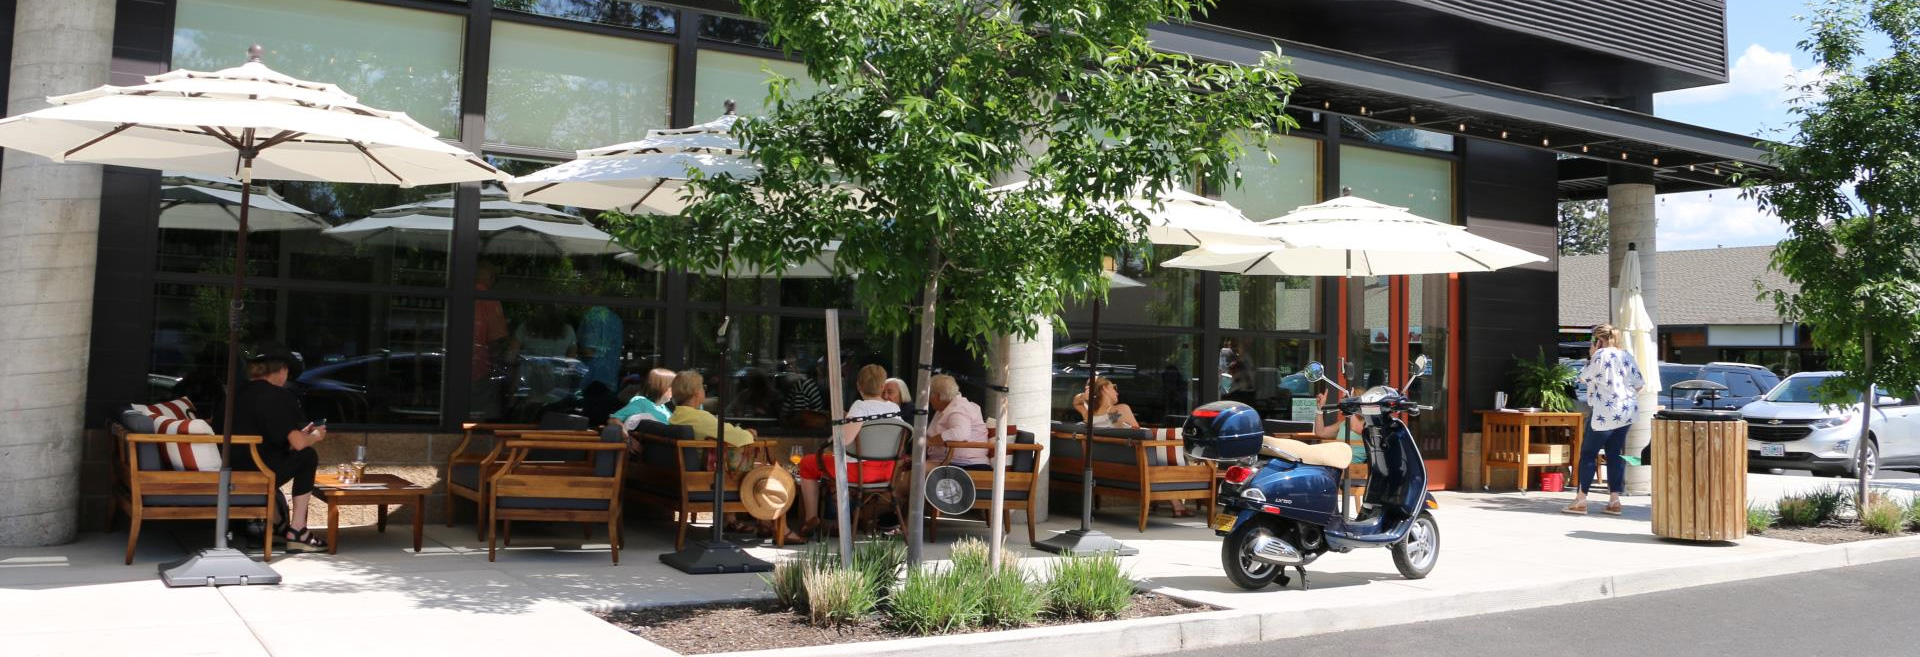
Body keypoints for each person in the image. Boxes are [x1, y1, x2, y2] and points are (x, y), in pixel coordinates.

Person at [230, 344, 329, 551]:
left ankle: (277, 525)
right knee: (307, 456)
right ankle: (298, 530)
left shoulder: (235, 394)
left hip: (230, 468)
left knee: (278, 458)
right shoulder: (277, 396)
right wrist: (316, 435)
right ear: (282, 370)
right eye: (288, 373)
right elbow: (298, 443)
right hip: (256, 474)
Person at [795, 365, 900, 537]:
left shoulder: (860, 407)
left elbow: (843, 441)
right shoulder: (894, 409)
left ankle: (811, 518)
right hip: (886, 472)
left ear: (858, 386)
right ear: (882, 387)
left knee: (807, 463)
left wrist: (840, 425)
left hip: (859, 472)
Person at [667, 370, 765, 534]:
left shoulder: (675, 417)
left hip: (683, 475)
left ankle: (730, 520)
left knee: (726, 462)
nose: (705, 390)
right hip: (703, 480)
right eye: (703, 387)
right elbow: (739, 437)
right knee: (764, 475)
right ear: (696, 392)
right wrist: (750, 433)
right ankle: (772, 526)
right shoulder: (700, 419)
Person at [1566, 323, 1645, 516]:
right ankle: (1614, 500)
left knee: (1588, 453)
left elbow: (1583, 377)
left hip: (1604, 413)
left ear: (1597, 340)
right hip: (1626, 411)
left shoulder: (1600, 355)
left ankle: (1581, 499)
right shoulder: (1626, 355)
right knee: (1614, 453)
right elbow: (1640, 384)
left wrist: (1592, 354)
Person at [925, 375, 990, 470]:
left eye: (930, 395)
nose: (929, 400)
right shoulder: (944, 408)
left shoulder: (959, 408)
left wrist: (930, 442)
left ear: (938, 396)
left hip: (965, 464)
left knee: (915, 472)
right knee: (907, 468)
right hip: (944, 461)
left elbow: (960, 433)